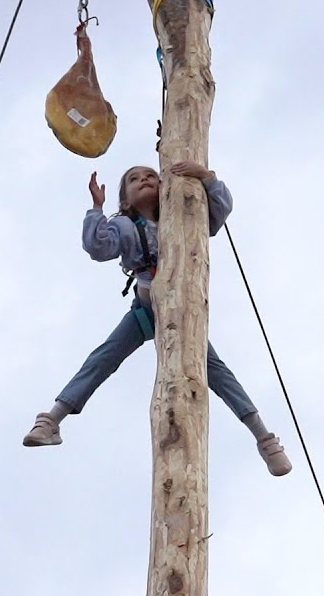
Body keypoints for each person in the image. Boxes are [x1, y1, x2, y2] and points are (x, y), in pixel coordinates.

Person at [22, 162, 292, 476]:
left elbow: (218, 213)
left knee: (219, 375)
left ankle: (265, 439)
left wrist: (207, 178)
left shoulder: (184, 215)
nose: (144, 180)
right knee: (103, 358)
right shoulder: (125, 227)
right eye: (134, 180)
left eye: (151, 176)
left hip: (182, 310)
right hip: (148, 310)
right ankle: (52, 419)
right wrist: (96, 208)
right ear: (124, 201)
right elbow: (97, 247)